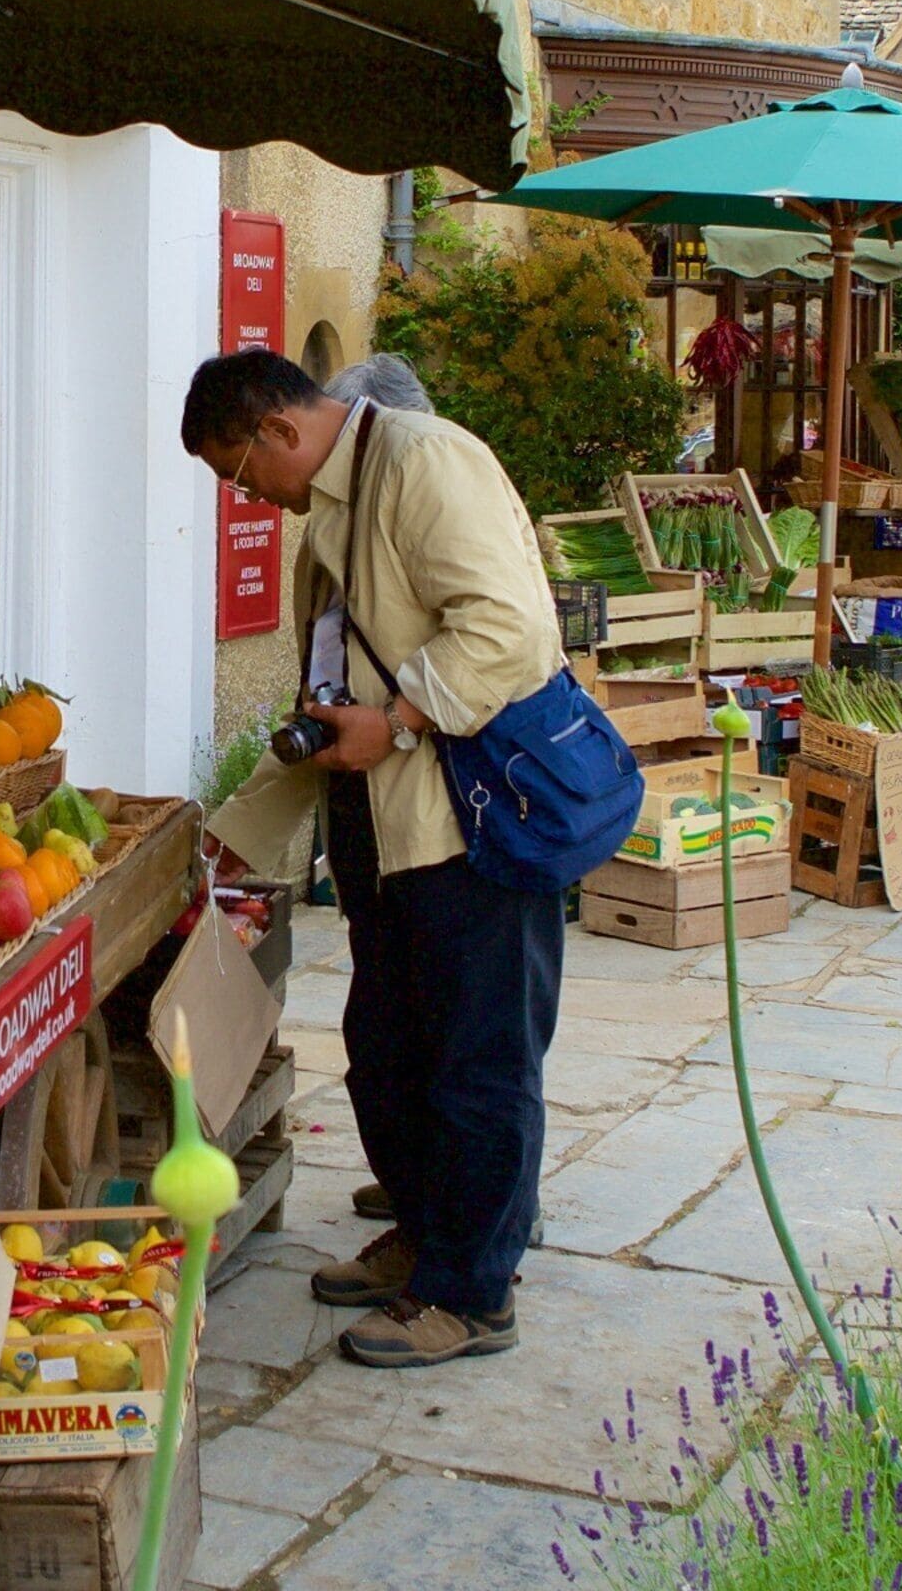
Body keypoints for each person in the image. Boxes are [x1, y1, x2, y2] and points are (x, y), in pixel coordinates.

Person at [183, 350, 564, 1369]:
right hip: (381, 833)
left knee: (480, 1065)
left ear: (274, 431)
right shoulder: (334, 513)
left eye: (236, 470)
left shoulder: (425, 462)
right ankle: (426, 1240)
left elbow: (510, 632)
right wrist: (242, 826)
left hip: (469, 824)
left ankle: (474, 1294)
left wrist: (393, 722)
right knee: (389, 1053)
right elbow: (331, 687)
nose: (244, 495)